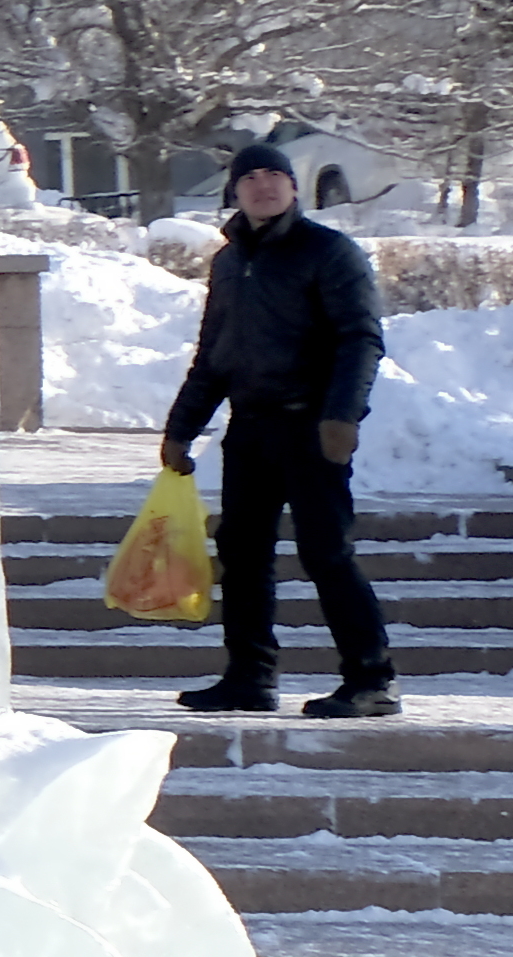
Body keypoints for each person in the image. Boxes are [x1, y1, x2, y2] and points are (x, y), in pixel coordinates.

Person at [160, 139, 398, 720]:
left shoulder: (328, 251)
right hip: (251, 429)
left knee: (326, 554)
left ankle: (371, 681)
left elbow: (360, 339)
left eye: (276, 175)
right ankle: (249, 677)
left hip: (312, 429)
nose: (264, 185)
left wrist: (342, 417)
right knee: (241, 554)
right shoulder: (229, 261)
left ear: (293, 187)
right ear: (235, 191)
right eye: (251, 177)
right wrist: (182, 427)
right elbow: (215, 354)